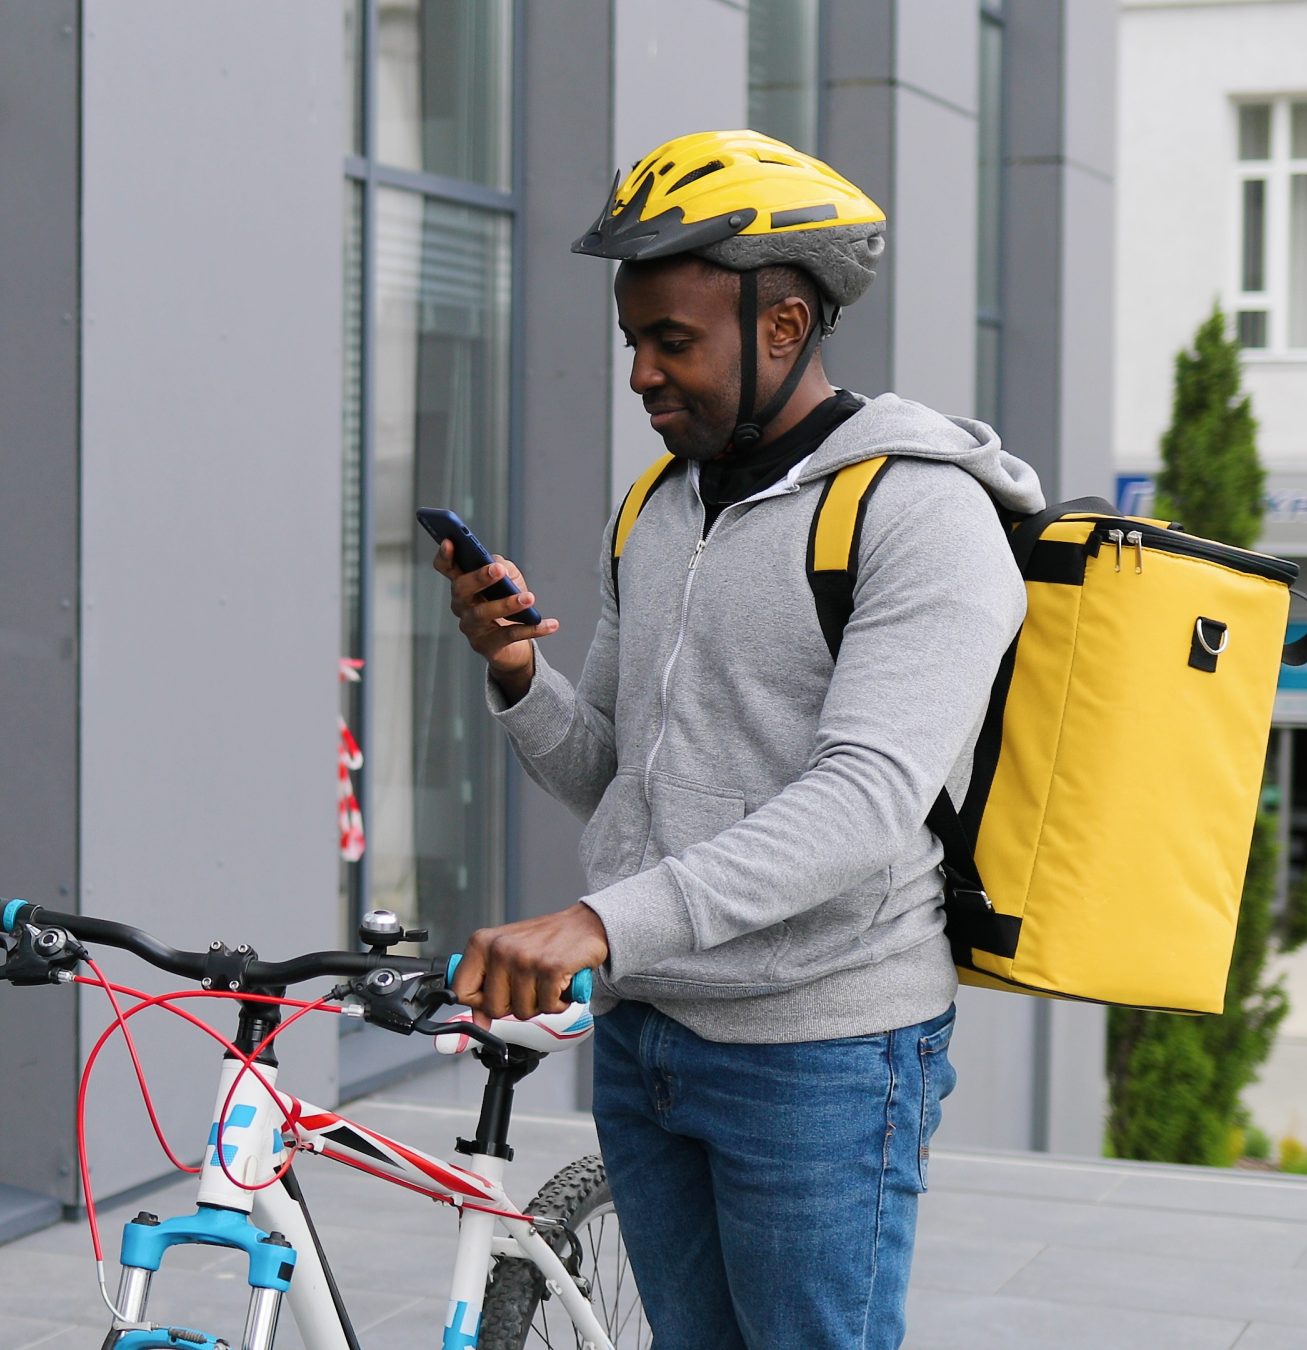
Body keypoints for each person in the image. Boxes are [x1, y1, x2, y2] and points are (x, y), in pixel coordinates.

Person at [438, 130, 1041, 1348]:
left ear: (784, 325)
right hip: (649, 1029)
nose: (641, 377)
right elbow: (617, 775)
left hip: (819, 1050)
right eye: (632, 343)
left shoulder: (922, 514)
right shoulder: (660, 507)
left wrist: (601, 923)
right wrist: (514, 672)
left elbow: (864, 802)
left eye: (674, 342)